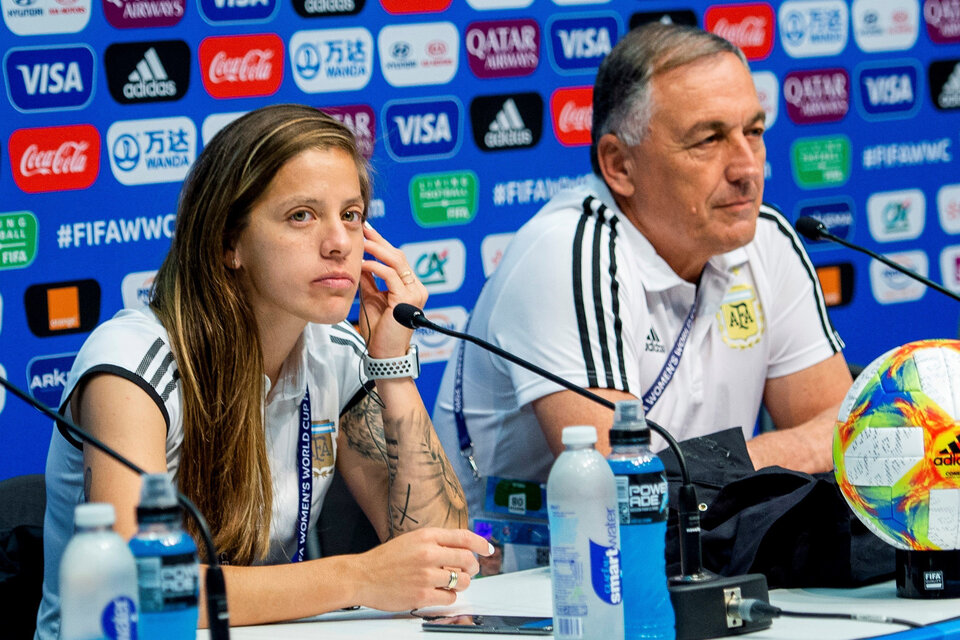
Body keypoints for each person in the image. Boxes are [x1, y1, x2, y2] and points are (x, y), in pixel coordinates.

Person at [35, 104, 491, 639]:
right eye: (302, 215)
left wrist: (391, 365)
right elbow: (135, 586)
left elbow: (446, 563)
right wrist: (357, 577)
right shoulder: (132, 365)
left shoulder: (337, 352)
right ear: (230, 243)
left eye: (351, 215)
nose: (340, 243)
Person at [432, 23, 853, 571]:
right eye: (709, 139)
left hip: (694, 560)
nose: (748, 167)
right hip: (529, 585)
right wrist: (776, 454)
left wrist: (709, 468)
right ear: (619, 165)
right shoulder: (569, 251)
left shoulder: (764, 240)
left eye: (754, 131)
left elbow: (847, 434)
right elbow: (620, 487)